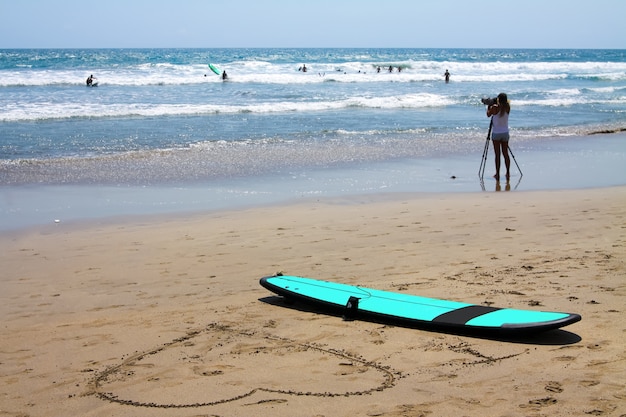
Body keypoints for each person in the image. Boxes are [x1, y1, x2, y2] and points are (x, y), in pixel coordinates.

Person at [486, 93, 511, 181]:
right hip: (505, 133)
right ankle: (508, 173)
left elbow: (488, 115)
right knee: (505, 154)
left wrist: (489, 105)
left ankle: (497, 173)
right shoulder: (507, 107)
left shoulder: (494, 108)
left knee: (497, 155)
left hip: (496, 133)